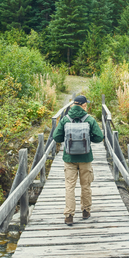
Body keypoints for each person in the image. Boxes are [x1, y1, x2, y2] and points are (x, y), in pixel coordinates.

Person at [52, 95, 104, 225]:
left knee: (70, 186)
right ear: (84, 105)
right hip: (85, 158)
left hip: (69, 158)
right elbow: (99, 137)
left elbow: (56, 137)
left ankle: (69, 215)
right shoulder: (89, 119)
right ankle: (86, 211)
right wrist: (87, 138)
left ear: (73, 105)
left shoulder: (65, 119)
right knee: (85, 185)